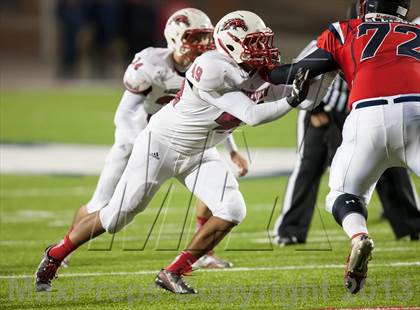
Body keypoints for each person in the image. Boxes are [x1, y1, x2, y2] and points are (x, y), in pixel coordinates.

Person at [35, 10, 325, 294]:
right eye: (256, 43)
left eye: (264, 42)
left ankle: (173, 271)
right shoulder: (211, 66)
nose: (264, 50)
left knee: (232, 209)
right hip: (161, 145)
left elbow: (302, 101)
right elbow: (253, 114)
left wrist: (328, 75)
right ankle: (55, 255)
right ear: (234, 44)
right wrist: (293, 97)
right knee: (114, 217)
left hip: (199, 151)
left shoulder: (255, 71)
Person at [60, 8, 246, 271]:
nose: (203, 45)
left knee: (218, 187)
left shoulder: (210, 68)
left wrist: (232, 149)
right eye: (195, 38)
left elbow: (218, 114)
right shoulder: (151, 65)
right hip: (141, 140)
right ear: (175, 38)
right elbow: (125, 112)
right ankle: (64, 245)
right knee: (101, 204)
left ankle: (205, 253)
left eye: (206, 37)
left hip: (187, 140)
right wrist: (139, 142)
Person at [266, 0, 419, 294]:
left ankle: (358, 236)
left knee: (343, 193)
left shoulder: (346, 30)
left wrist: (259, 71)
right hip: (417, 112)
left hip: (367, 116)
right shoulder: (414, 31)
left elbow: (299, 71)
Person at [273, 50, 420, 246]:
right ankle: (289, 230)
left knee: (389, 164)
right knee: (309, 168)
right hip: (326, 111)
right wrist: (314, 109)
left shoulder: (377, 41)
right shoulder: (333, 39)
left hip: (361, 110)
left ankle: (412, 225)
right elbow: (302, 72)